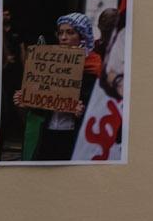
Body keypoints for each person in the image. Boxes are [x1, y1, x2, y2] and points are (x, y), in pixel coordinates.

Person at [10, 12, 102, 162]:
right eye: (60, 33)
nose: (63, 37)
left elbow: (98, 110)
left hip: (74, 137)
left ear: (82, 36)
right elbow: (43, 103)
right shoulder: (49, 64)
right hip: (48, 132)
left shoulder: (93, 67)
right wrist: (27, 100)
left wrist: (83, 112)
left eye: (70, 32)